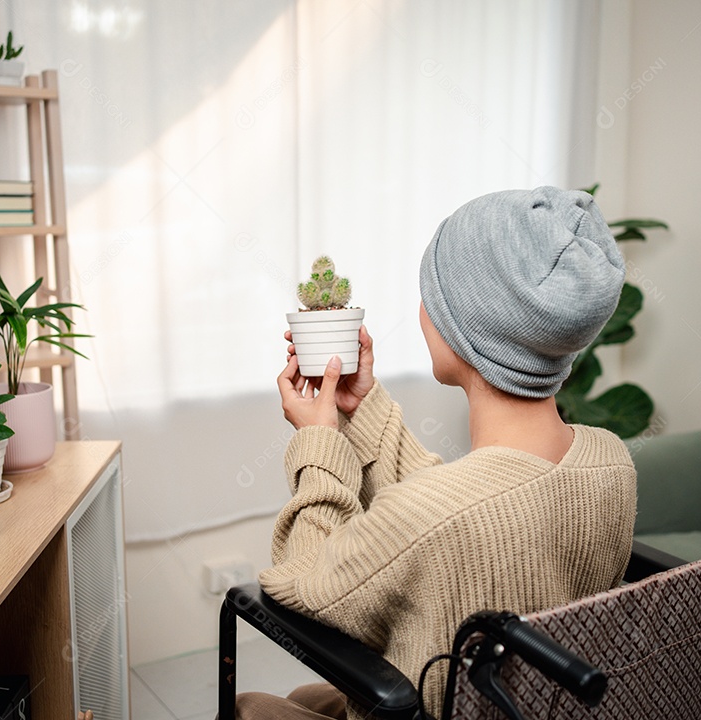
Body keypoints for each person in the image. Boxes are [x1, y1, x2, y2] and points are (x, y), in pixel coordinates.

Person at [236, 187, 638, 720]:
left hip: (429, 706)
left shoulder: (433, 518)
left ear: (463, 327)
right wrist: (362, 408)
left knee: (250, 706)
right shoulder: (611, 462)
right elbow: (466, 503)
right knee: (310, 702)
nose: (423, 309)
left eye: (434, 294)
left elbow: (306, 584)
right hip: (518, 704)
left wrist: (319, 443)